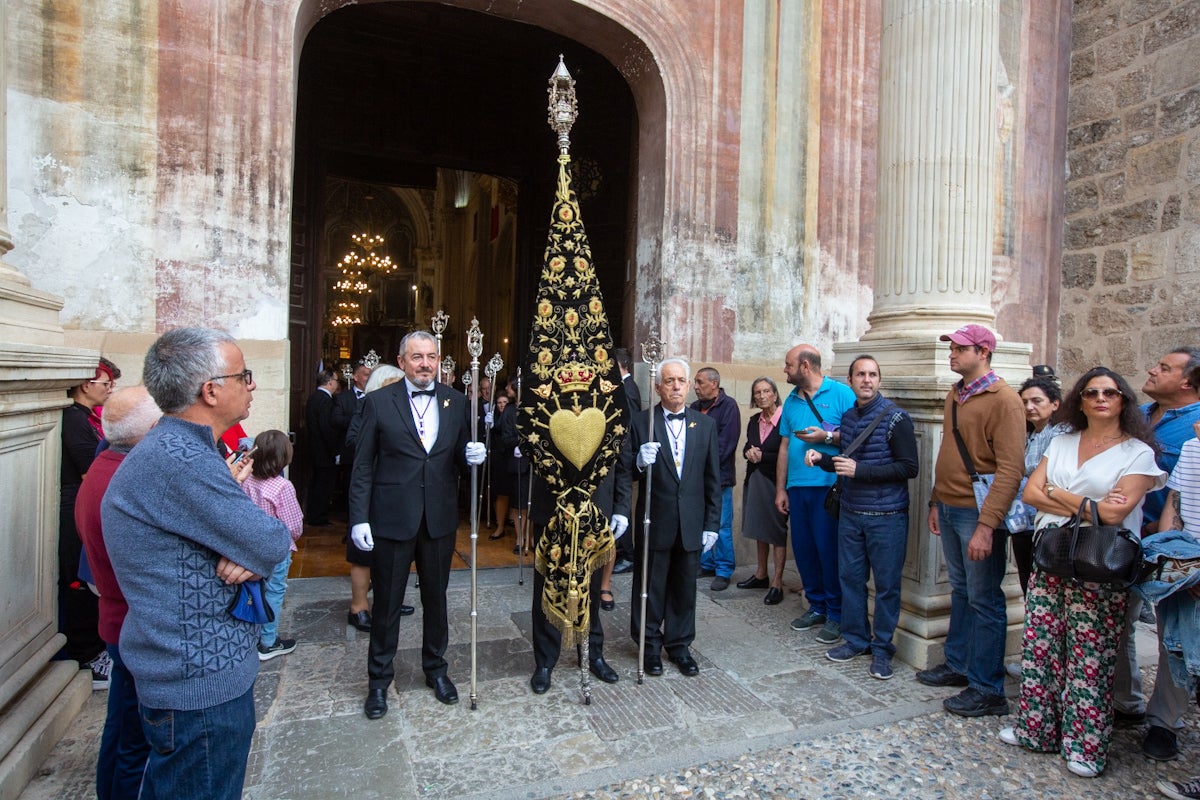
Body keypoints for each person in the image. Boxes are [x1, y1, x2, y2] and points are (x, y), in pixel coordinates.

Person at [102, 327, 291, 800]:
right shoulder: (180, 459)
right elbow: (271, 539)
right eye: (243, 375)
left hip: (198, 670)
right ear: (211, 390)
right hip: (196, 681)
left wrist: (244, 548)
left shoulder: (187, 449)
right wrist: (250, 549)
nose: (252, 385)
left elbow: (253, 539)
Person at [998, 367, 1165, 778]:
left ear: (1123, 400)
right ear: (1081, 400)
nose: (1100, 398)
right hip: (1052, 554)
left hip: (1100, 563)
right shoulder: (1063, 441)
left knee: (1090, 656)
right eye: (1091, 392)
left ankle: (1085, 745)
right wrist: (1085, 503)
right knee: (1041, 645)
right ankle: (1035, 729)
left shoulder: (1137, 453)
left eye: (1110, 392)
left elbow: (1115, 513)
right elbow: (1033, 493)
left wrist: (1056, 493)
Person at [348, 331, 487, 719]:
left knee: (437, 601)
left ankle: (436, 669)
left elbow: (460, 458)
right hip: (391, 518)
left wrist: (474, 455)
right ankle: (378, 682)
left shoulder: (457, 402)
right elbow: (362, 466)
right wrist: (359, 517)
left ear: (438, 359)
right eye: (416, 357)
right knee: (388, 604)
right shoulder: (378, 403)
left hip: (438, 518)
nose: (424, 363)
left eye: (430, 356)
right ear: (402, 360)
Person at [918, 324, 1025, 718]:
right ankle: (959, 664)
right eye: (951, 347)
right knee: (961, 591)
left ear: (983, 351)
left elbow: (1011, 469)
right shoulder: (956, 393)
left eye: (959, 348)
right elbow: (948, 450)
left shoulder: (1004, 400)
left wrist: (986, 525)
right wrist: (934, 501)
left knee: (985, 600)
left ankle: (988, 688)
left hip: (978, 514)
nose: (951, 353)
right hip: (948, 506)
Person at [806, 356, 919, 681]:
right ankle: (855, 640)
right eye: (860, 375)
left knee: (886, 587)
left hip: (888, 517)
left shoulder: (897, 418)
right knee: (851, 581)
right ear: (851, 380)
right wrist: (823, 460)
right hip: (852, 514)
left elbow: (908, 468)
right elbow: (849, 461)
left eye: (872, 375)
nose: (866, 380)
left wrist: (861, 471)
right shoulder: (850, 418)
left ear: (879, 380)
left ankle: (882, 651)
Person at [1114, 347, 1200, 760]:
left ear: (1187, 381)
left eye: (1164, 368)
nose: (1151, 369)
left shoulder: (1193, 430)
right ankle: (1125, 702)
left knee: (1173, 637)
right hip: (1131, 539)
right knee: (1119, 622)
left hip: (1172, 543)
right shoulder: (1141, 413)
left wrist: (1165, 538)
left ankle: (1166, 720)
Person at [75, 386, 160, 800]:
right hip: (133, 623)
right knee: (136, 745)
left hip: (119, 619)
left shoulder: (104, 466)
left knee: (122, 728)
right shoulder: (126, 480)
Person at [629, 357, 720, 677]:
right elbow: (627, 473)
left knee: (684, 588)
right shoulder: (641, 423)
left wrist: (712, 525)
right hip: (656, 519)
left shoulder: (705, 425)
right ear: (657, 387)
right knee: (651, 586)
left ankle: (679, 645)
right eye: (669, 381)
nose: (677, 386)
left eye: (681, 380)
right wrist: (639, 461)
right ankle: (649, 644)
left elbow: (713, 479)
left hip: (691, 522)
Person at [528, 441, 632, 693]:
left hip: (595, 508)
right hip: (553, 507)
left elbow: (621, 456)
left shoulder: (609, 400)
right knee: (547, 585)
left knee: (592, 588)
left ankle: (592, 653)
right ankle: (545, 661)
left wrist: (621, 506)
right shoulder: (543, 400)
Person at [775, 344, 856, 645]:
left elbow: (858, 436)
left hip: (828, 487)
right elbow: (784, 447)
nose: (785, 370)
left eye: (788, 365)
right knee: (805, 550)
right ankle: (817, 606)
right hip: (797, 488)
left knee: (827, 550)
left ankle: (836, 613)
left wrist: (828, 437)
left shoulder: (841, 394)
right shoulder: (792, 401)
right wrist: (780, 489)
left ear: (805, 366)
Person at [61, 358, 119, 688]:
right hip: (76, 507)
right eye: (105, 384)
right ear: (86, 385)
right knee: (80, 581)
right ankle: (87, 653)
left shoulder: (87, 419)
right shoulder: (74, 419)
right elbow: (90, 468)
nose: (109, 390)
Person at [342, 364, 412, 629]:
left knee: (395, 550)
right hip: (370, 490)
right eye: (393, 382)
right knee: (364, 553)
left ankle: (390, 599)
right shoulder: (368, 406)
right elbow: (352, 443)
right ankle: (358, 606)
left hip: (398, 491)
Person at [241, 430, 304, 661]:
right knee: (274, 591)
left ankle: (252, 634)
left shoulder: (247, 480)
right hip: (276, 549)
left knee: (254, 590)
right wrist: (293, 539)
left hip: (251, 546)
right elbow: (293, 524)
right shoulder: (282, 487)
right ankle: (268, 641)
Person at [1010, 374, 1070, 594]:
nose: (1030, 407)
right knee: (1028, 580)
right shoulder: (1030, 433)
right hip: (1025, 517)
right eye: (1024, 402)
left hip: (1051, 518)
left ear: (1055, 404)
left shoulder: (1062, 433)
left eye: (1037, 401)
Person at [735, 377, 789, 605]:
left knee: (776, 530)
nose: (762, 396)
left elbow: (788, 454)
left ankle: (777, 582)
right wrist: (749, 452)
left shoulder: (785, 420)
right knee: (759, 527)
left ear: (775, 394)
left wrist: (762, 456)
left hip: (775, 482)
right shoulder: (754, 420)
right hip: (754, 478)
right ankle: (760, 574)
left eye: (766, 391)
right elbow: (749, 444)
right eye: (757, 392)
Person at [693, 367, 741, 591]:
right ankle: (706, 563)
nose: (695, 387)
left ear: (714, 384)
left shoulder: (728, 406)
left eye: (700, 382)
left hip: (719, 478)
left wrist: (700, 466)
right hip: (696, 479)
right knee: (701, 522)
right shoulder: (693, 408)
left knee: (721, 525)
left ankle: (724, 569)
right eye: (695, 382)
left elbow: (725, 445)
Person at [611, 347, 640, 576]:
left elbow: (627, 425)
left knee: (622, 507)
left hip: (623, 455)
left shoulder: (628, 388)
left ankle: (628, 554)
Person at [303, 367, 341, 526]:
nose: (337, 384)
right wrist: (335, 451)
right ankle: (318, 517)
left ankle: (313, 514)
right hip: (324, 452)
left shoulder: (313, 397)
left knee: (317, 483)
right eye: (336, 381)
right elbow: (327, 427)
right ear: (330, 382)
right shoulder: (325, 400)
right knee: (323, 485)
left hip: (315, 449)